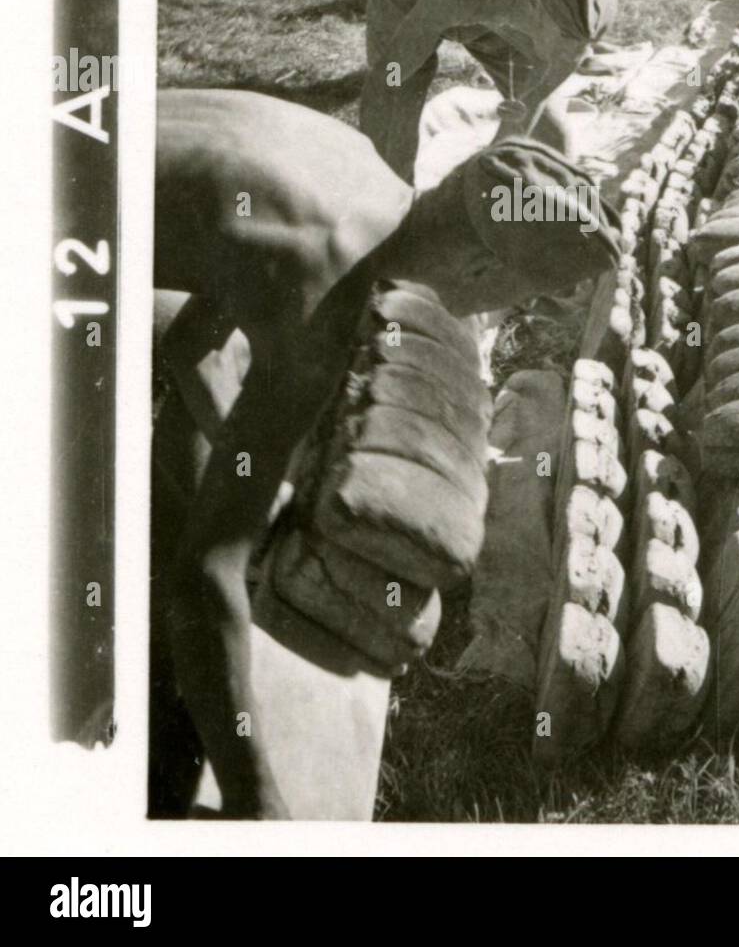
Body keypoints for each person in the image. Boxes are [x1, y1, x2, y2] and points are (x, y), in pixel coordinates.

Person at [153, 87, 621, 818]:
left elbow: (191, 347)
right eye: (525, 296)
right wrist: (257, 800)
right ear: (478, 272)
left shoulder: (363, 168)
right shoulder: (322, 301)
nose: (519, 312)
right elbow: (201, 579)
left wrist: (259, 485)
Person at [357, 0, 617, 182]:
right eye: (566, 41)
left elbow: (526, 110)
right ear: (534, 5)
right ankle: (390, 206)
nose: (570, 55)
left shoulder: (573, 35)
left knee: (551, 138)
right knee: (399, 93)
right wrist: (392, 79)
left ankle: (545, 213)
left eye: (581, 45)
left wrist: (487, 175)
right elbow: (386, 76)